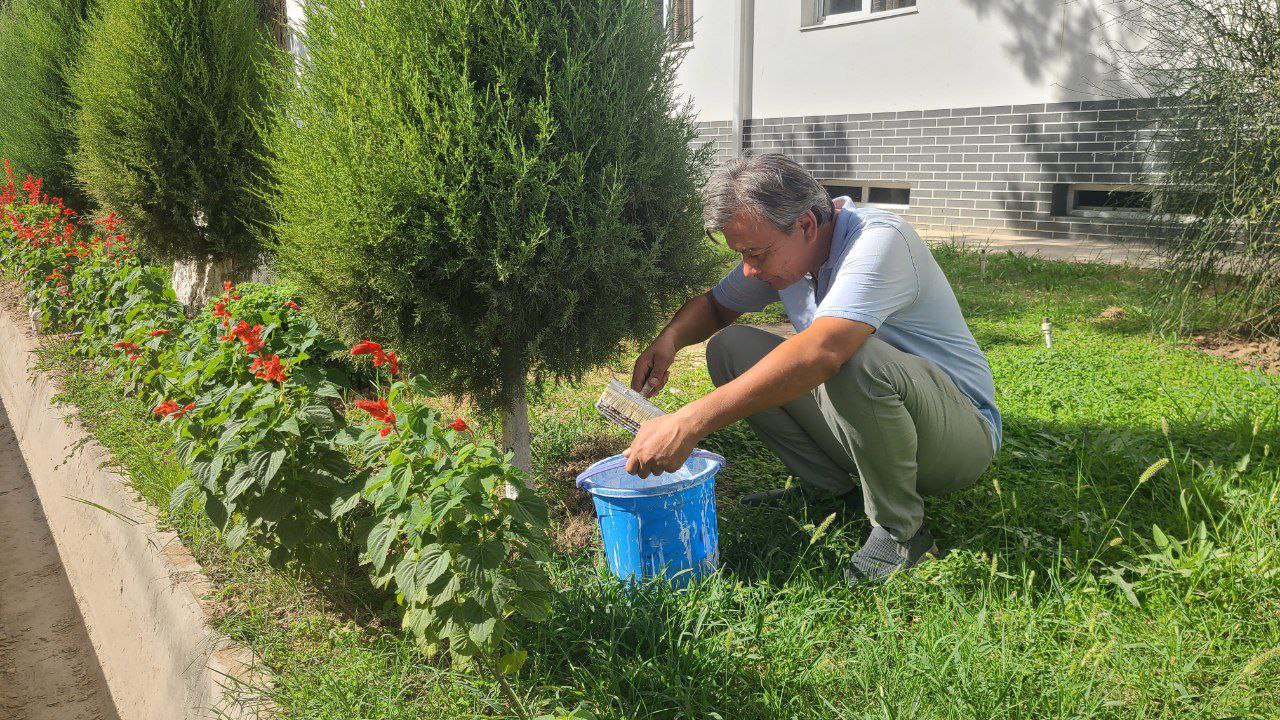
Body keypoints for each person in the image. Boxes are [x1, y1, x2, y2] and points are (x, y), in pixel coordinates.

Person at [622, 153, 1001, 582]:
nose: (749, 268)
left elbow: (824, 351)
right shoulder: (788, 252)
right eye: (742, 254)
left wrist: (691, 420)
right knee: (731, 347)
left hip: (957, 438)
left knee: (852, 357)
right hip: (885, 420)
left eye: (756, 253)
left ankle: (901, 531)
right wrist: (667, 341)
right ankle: (828, 488)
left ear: (805, 225)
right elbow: (714, 306)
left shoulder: (879, 241)